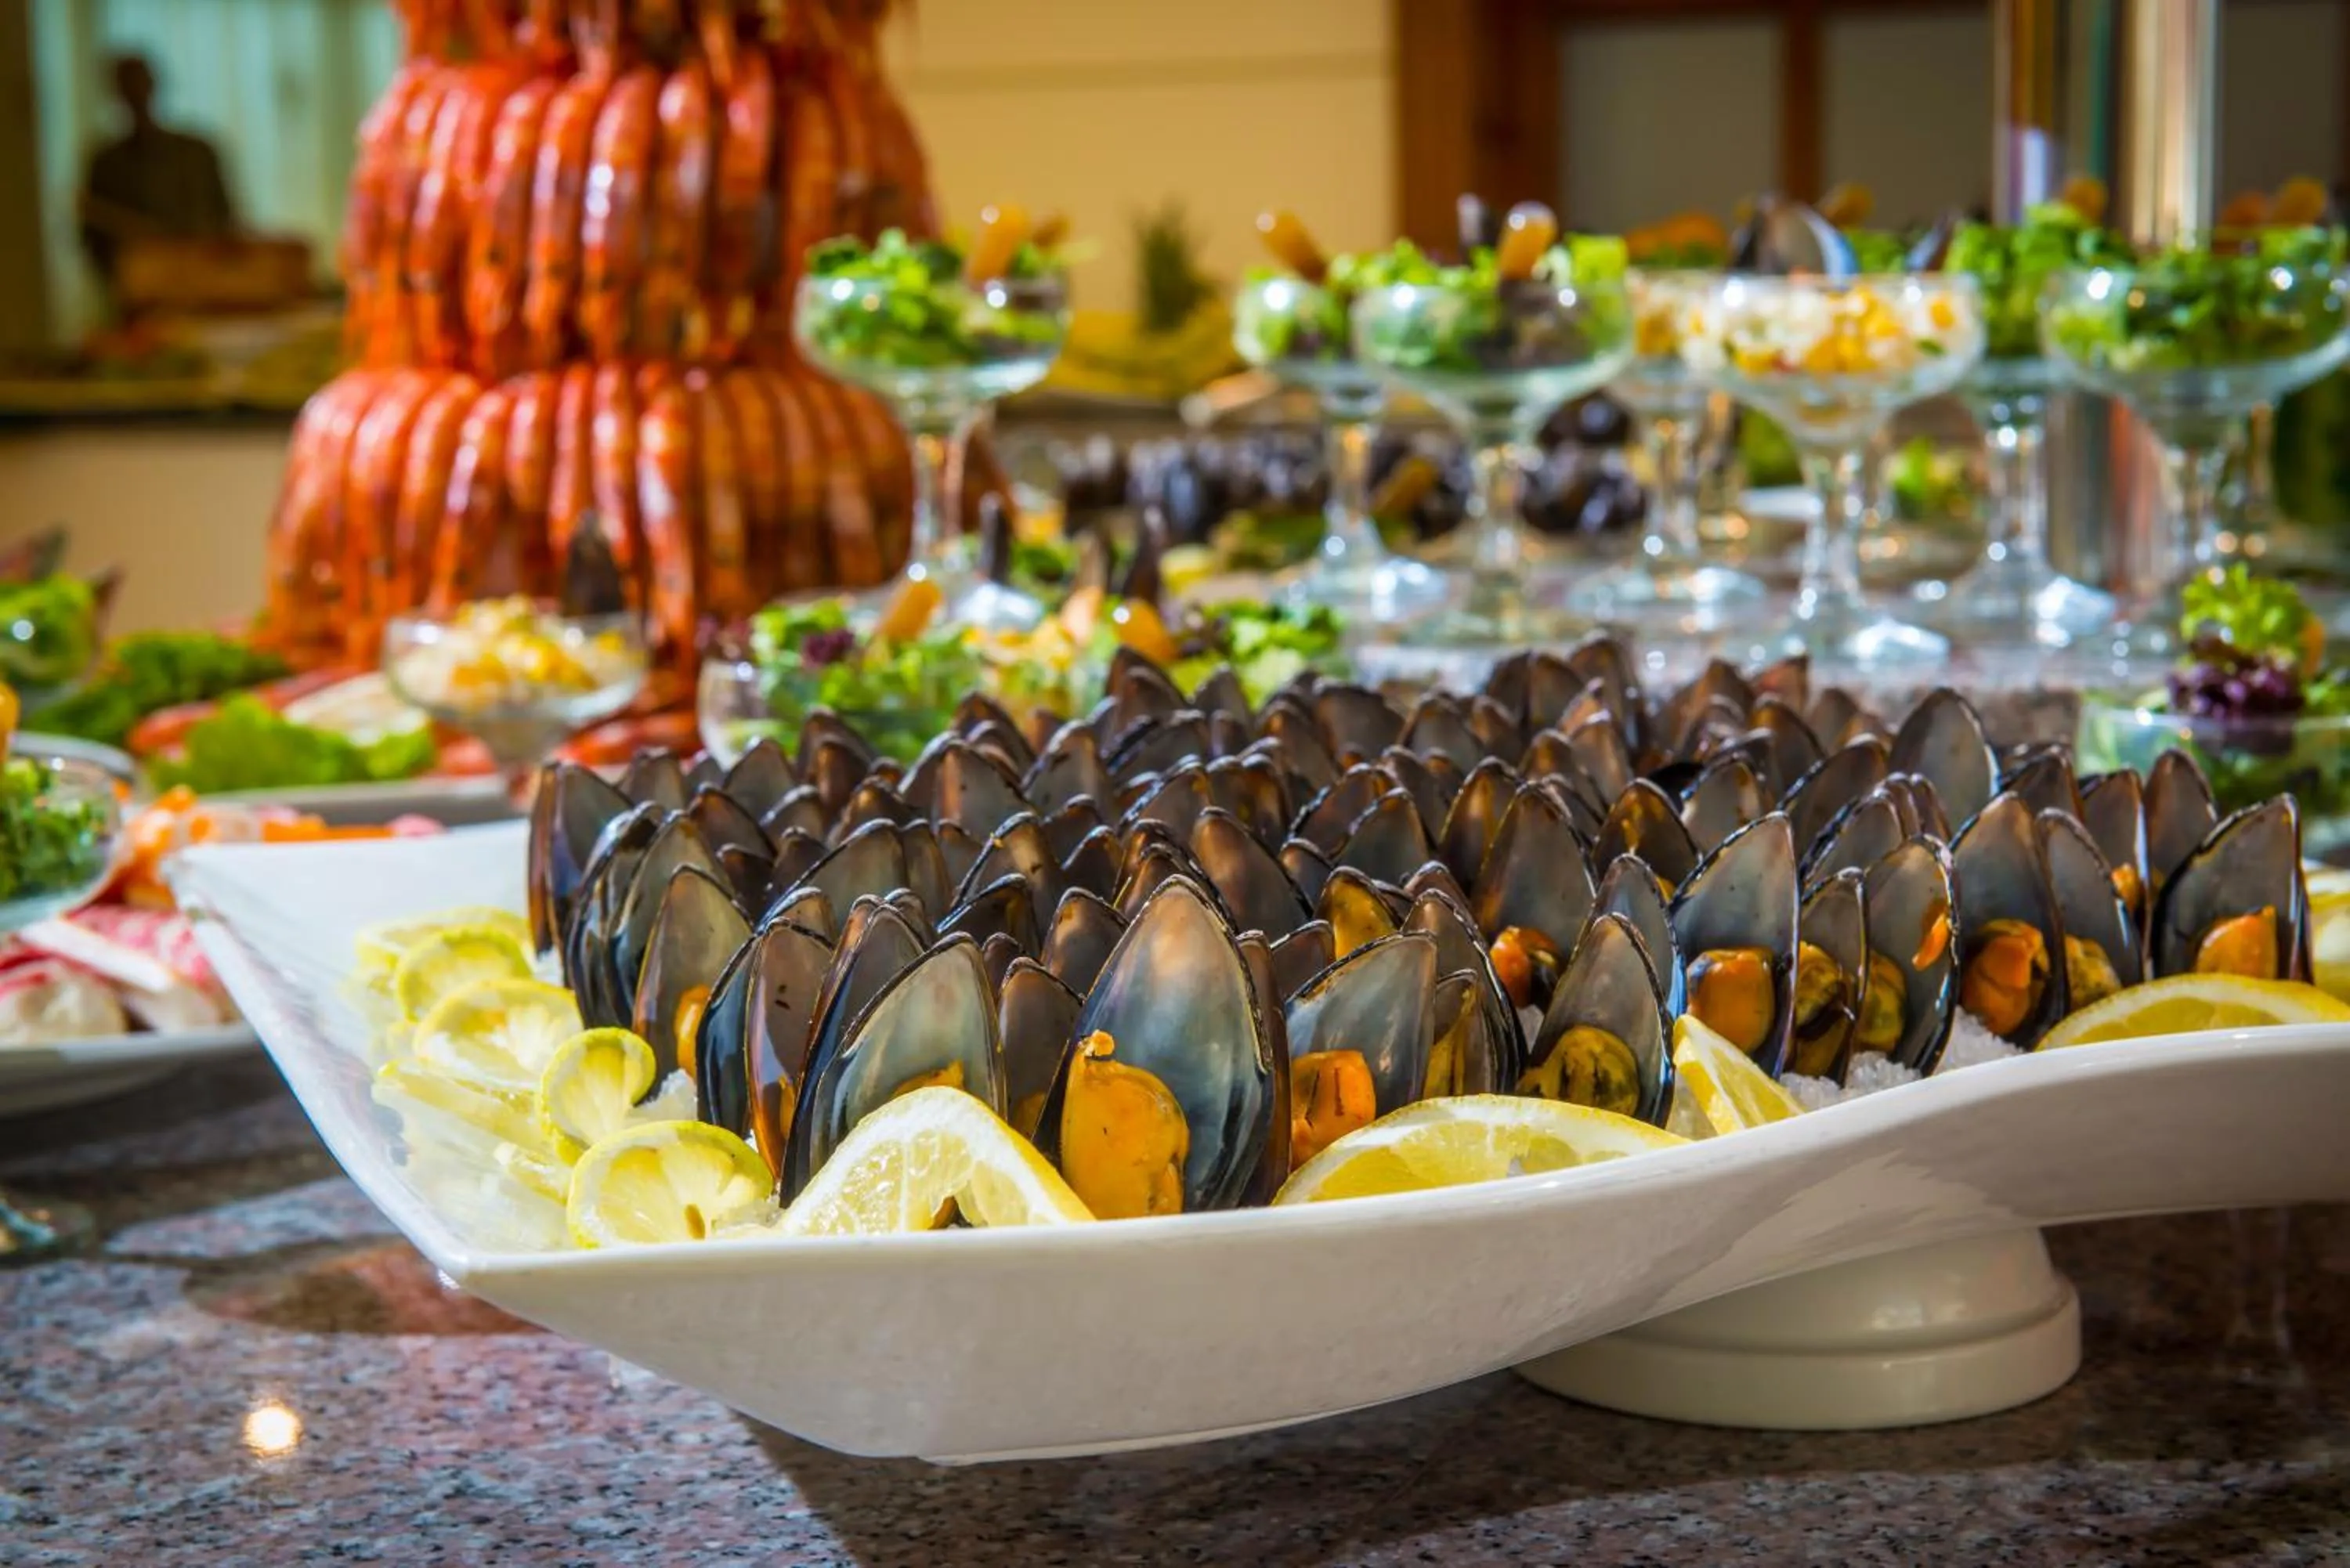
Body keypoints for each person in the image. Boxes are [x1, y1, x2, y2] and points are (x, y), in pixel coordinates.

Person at [78, 55, 238, 303]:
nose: (136, 91)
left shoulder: (195, 152)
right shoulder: (107, 163)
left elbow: (225, 216)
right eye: (128, 83)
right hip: (141, 294)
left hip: (204, 286)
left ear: (154, 83)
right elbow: (93, 238)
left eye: (140, 81)